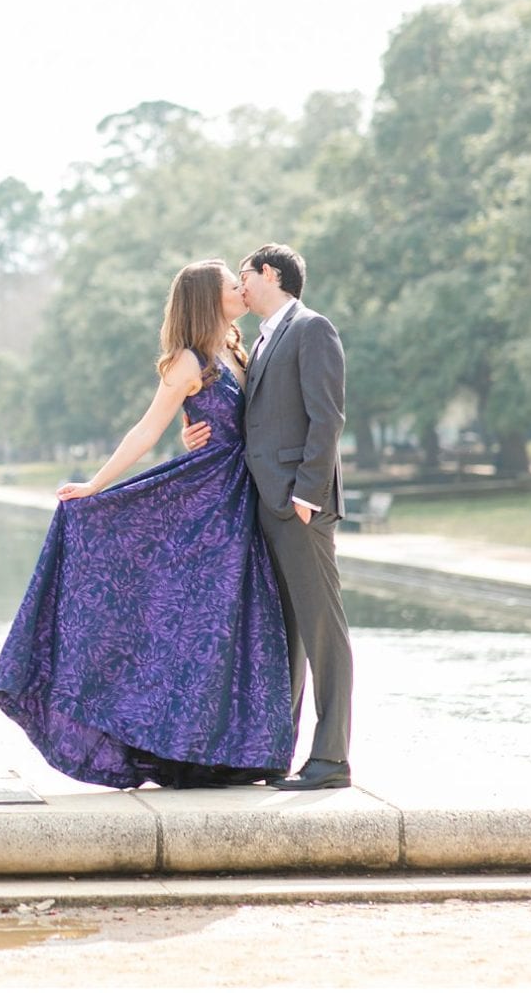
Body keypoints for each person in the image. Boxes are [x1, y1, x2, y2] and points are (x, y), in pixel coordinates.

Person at [0, 259, 294, 790]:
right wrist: (94, 487)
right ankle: (184, 753)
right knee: (197, 629)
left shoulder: (237, 349)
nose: (240, 290)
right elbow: (145, 430)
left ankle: (235, 750)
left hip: (238, 500)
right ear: (206, 299)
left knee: (234, 627)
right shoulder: (189, 361)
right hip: (203, 507)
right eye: (230, 285)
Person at [185, 243, 352, 791]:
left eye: (244, 275)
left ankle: (330, 760)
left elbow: (326, 417)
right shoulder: (259, 340)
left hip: (298, 506)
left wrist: (307, 494)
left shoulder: (311, 329)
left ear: (270, 274)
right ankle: (276, 753)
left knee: (323, 629)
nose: (240, 285)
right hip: (266, 504)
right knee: (288, 635)